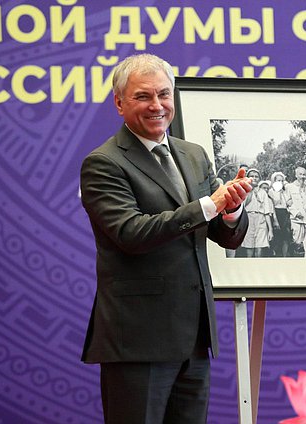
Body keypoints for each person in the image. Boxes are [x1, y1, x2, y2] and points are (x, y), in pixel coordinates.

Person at [79, 53, 252, 424]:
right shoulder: (104, 163)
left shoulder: (194, 155)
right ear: (119, 102)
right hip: (138, 340)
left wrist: (232, 209)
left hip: (194, 337)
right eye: (143, 96)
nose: (157, 105)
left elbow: (225, 236)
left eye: (164, 94)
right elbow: (132, 233)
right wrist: (208, 205)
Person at [287, 166, 306, 257]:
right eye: (300, 174)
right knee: (297, 241)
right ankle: (292, 254)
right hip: (296, 219)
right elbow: (287, 203)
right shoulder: (290, 187)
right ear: (296, 175)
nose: (302, 176)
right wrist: (295, 213)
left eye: (304, 175)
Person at [268, 171, 292, 257]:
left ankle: (284, 256)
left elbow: (289, 203)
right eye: (278, 180)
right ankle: (275, 255)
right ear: (274, 181)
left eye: (282, 181)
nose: (280, 182)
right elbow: (272, 206)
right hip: (276, 213)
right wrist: (275, 220)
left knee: (286, 236)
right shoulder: (271, 192)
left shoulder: (285, 192)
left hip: (285, 214)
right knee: (277, 237)